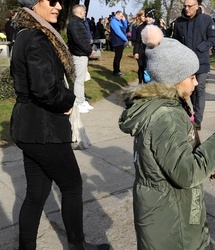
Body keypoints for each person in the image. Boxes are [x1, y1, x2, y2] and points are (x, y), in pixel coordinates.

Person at [119, 25, 215, 250]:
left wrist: (206, 158)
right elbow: (186, 172)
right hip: (172, 221)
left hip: (168, 212)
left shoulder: (167, 105)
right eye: (191, 77)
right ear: (173, 79)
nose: (196, 82)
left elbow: (178, 153)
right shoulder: (166, 117)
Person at [10, 0, 110, 249]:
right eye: (51, 2)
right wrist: (68, 100)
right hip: (44, 128)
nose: (57, 6)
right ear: (35, 4)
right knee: (72, 186)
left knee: (36, 193)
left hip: (30, 127)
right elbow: (44, 89)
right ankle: (78, 245)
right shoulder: (37, 37)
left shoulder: (25, 34)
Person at [173, 0, 215, 130]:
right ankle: (191, 115)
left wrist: (200, 48)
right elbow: (175, 41)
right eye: (185, 6)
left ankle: (198, 120)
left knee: (199, 89)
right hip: (186, 62)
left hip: (201, 60)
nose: (187, 8)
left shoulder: (206, 20)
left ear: (197, 6)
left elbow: (214, 38)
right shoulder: (179, 22)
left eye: (190, 6)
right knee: (189, 90)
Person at [67, 5, 95, 113]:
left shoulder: (78, 22)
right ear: (79, 12)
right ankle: (78, 103)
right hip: (79, 55)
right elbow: (79, 40)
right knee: (79, 80)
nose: (85, 13)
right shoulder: (75, 23)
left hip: (82, 54)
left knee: (81, 79)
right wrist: (89, 50)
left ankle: (82, 100)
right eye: (84, 11)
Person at [110, 10, 128, 76]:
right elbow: (118, 32)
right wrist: (125, 39)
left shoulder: (119, 21)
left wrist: (124, 20)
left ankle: (117, 69)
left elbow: (125, 27)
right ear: (116, 15)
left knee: (119, 56)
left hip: (120, 41)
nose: (121, 17)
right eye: (120, 16)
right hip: (117, 41)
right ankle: (116, 71)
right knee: (117, 56)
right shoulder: (114, 22)